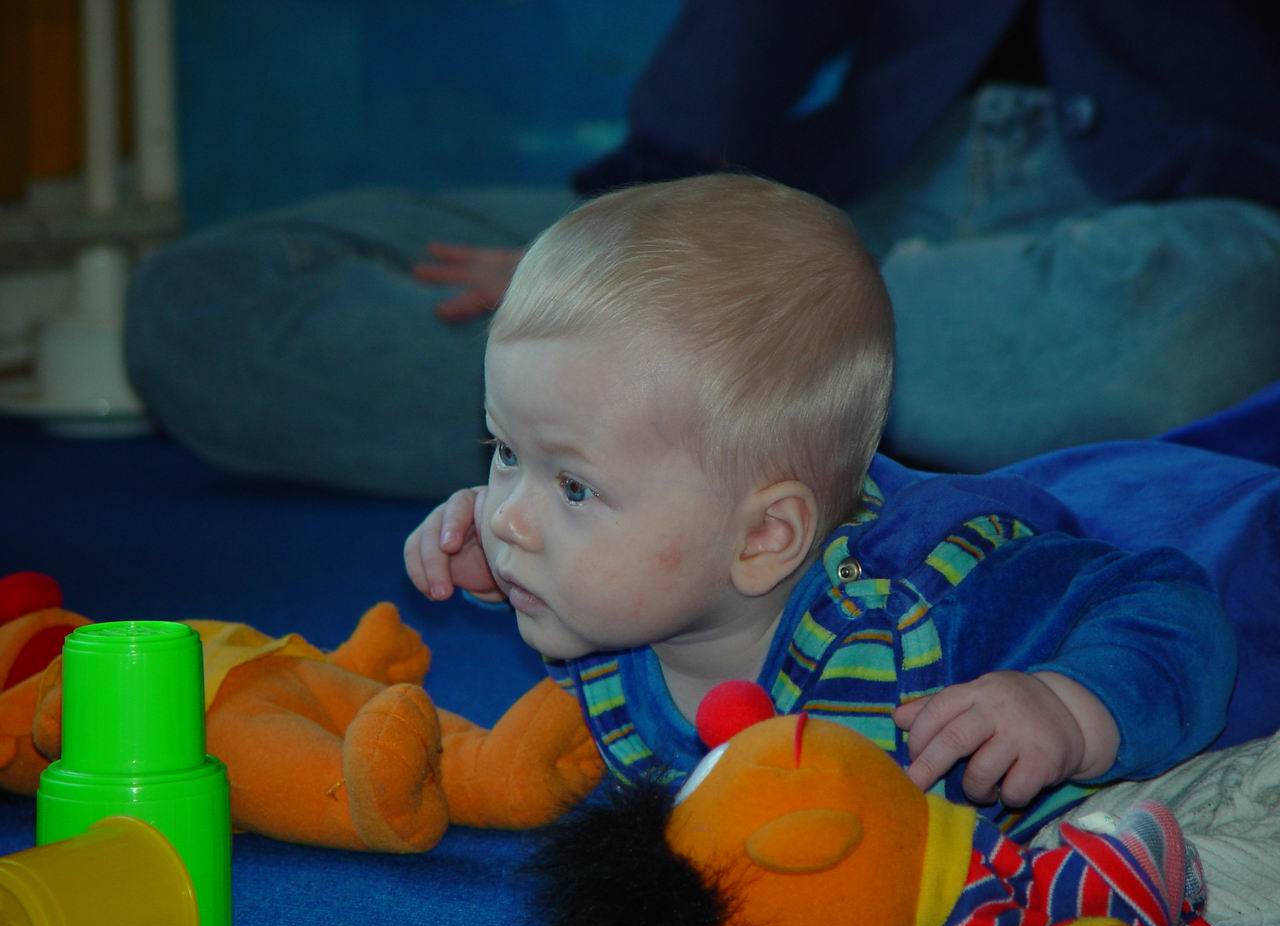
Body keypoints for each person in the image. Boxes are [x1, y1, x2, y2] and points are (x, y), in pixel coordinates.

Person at [125, 0, 1280, 498]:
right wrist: (644, 235)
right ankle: (754, 400)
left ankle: (671, 416)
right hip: (828, 208)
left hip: (1172, 226)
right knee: (203, 300)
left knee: (1208, 324)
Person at [403, 174, 1236, 839]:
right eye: (505, 452)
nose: (505, 516)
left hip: (1186, 537)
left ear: (764, 537)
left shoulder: (930, 614)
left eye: (574, 487)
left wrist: (1068, 706)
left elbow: (1169, 603)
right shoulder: (631, 594)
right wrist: (508, 570)